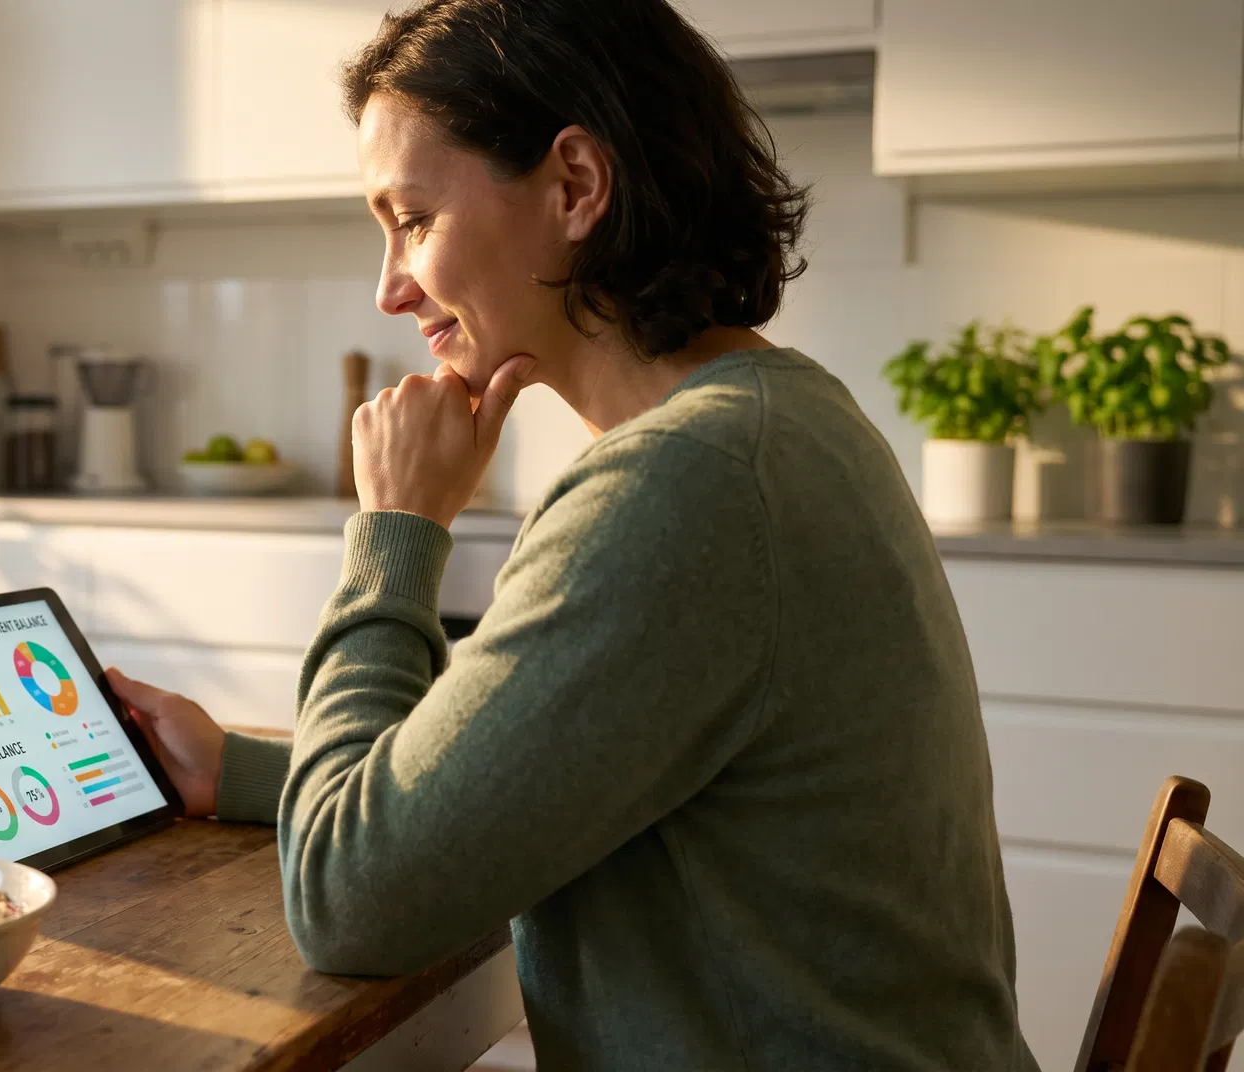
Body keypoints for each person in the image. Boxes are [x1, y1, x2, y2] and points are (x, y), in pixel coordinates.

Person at [104, 0, 1037, 1067]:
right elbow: (533, 760)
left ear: (577, 187)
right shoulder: (777, 416)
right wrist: (246, 771)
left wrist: (397, 529)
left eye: (412, 218)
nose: (390, 286)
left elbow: (348, 902)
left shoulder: (687, 482)